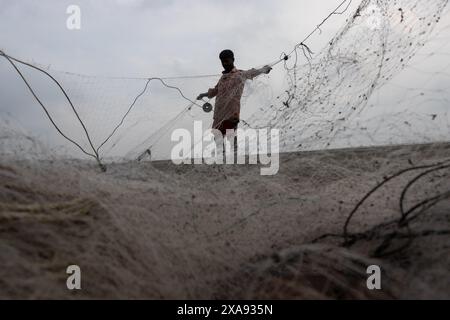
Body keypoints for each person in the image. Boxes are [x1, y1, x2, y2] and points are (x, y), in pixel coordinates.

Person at [197, 50, 272, 136]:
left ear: (233, 59)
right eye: (222, 62)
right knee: (217, 139)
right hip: (219, 115)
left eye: (227, 61)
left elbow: (252, 72)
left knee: (231, 139)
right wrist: (203, 95)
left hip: (231, 114)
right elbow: (215, 91)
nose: (225, 64)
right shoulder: (222, 79)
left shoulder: (240, 74)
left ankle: (234, 149)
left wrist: (263, 69)